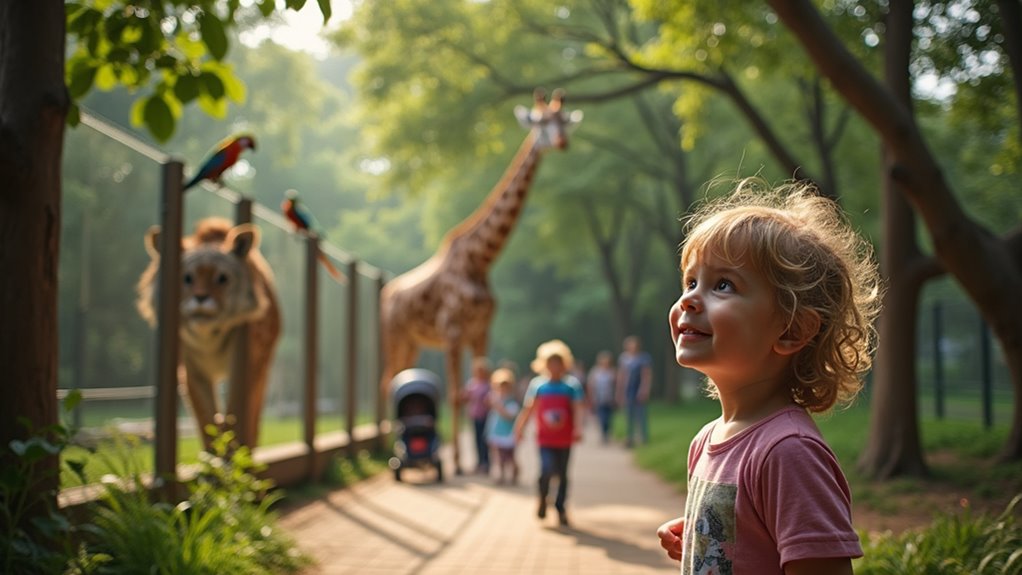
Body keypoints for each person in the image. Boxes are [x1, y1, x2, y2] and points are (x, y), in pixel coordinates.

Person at [655, 180, 882, 574]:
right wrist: (705, 539)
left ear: (791, 330)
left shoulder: (788, 452)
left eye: (723, 285)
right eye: (691, 282)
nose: (689, 299)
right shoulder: (706, 441)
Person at [514, 339, 585, 527]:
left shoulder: (571, 386)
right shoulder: (538, 386)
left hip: (564, 438)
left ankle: (561, 508)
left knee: (562, 473)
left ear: (564, 364)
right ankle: (543, 497)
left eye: (558, 363)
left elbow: (578, 409)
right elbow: (529, 409)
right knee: (546, 469)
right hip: (545, 438)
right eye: (551, 363)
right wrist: (519, 428)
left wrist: (578, 428)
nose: (554, 367)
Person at [486, 367, 521, 485]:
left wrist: (498, 406)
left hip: (508, 433)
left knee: (510, 457)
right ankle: (501, 475)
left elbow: (509, 416)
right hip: (497, 432)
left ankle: (515, 472)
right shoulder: (495, 398)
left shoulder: (512, 401)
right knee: (498, 457)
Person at [616, 335, 652, 447]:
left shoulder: (644, 358)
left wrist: (644, 389)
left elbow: (646, 375)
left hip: (638, 389)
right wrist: (619, 392)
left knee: (641, 415)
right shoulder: (624, 358)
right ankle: (630, 437)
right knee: (628, 415)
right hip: (628, 390)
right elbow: (621, 376)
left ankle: (643, 438)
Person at [461, 356, 492, 475]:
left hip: (486, 416)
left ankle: (486, 462)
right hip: (475, 415)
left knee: (485, 440)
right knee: (476, 440)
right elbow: (466, 397)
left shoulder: (488, 384)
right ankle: (479, 462)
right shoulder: (472, 384)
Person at [586, 350, 617, 444]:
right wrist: (591, 397)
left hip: (609, 399)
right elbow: (590, 385)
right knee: (601, 417)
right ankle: (603, 434)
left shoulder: (612, 372)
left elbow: (616, 385)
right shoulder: (595, 372)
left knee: (609, 418)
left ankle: (607, 433)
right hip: (598, 398)